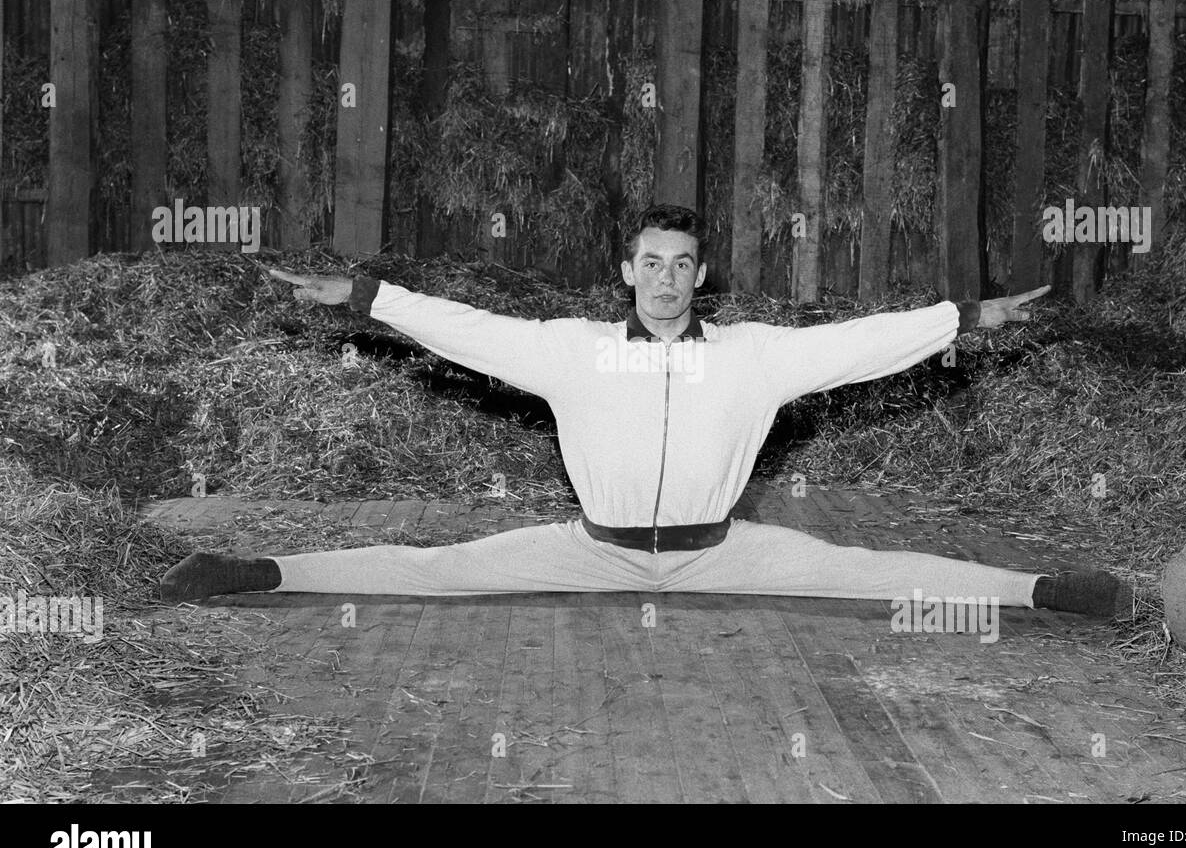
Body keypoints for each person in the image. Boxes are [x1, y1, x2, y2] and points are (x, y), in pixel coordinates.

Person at [162, 204, 1130, 617]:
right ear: (626, 272)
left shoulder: (755, 357)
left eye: (682, 265)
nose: (666, 279)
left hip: (722, 552)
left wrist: (967, 317)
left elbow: (861, 341)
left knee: (872, 574)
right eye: (650, 263)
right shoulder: (570, 349)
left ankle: (1045, 590)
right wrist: (367, 296)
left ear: (701, 278)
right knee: (438, 570)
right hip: (592, 549)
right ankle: (262, 571)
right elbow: (466, 328)